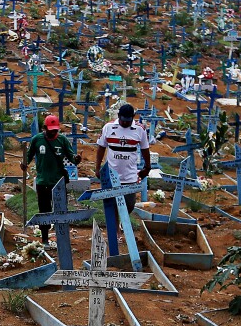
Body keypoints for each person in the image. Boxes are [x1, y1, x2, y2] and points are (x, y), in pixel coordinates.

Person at [21, 115, 80, 247]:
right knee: (44, 211)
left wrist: (77, 159)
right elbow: (28, 156)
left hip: (58, 182)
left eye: (55, 130)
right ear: (45, 128)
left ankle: (63, 238)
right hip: (43, 182)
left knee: (61, 210)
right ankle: (45, 239)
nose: (53, 132)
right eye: (51, 130)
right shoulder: (37, 140)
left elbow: (71, 157)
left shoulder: (62, 140)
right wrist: (24, 164)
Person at [94, 103, 151, 216]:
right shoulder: (108, 127)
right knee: (111, 205)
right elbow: (101, 148)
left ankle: (119, 224)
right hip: (111, 174)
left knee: (129, 204)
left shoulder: (140, 129)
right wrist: (97, 168)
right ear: (118, 116)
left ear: (133, 117)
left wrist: (147, 167)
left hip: (129, 175)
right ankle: (116, 230)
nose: (125, 123)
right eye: (123, 120)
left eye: (128, 120)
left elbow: (145, 149)